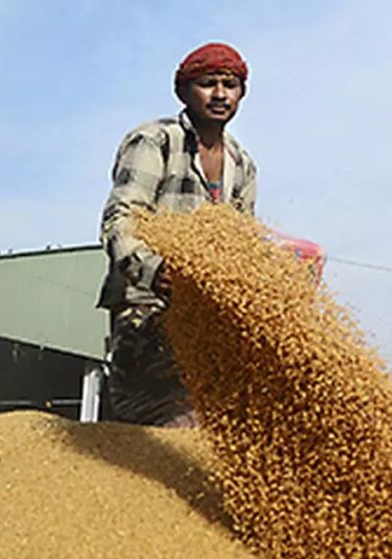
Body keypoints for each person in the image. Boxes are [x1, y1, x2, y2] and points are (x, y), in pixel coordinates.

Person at [98, 42, 258, 427]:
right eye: (208, 83)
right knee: (160, 425)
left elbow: (243, 244)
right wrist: (153, 269)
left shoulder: (243, 164)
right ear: (184, 91)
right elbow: (122, 217)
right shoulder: (155, 141)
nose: (220, 94)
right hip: (146, 307)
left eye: (230, 85)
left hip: (204, 320)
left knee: (220, 424)